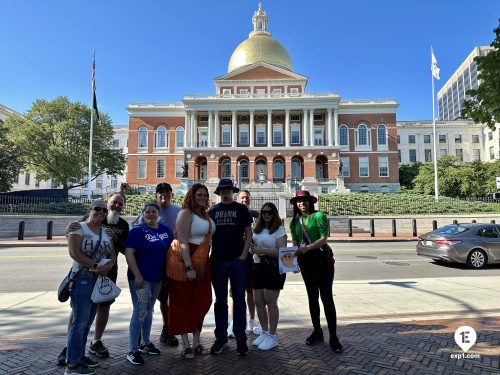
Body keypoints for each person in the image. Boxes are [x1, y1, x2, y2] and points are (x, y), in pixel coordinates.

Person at [57, 193, 129, 366]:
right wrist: (68, 229)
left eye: (120, 203)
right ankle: (71, 352)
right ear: (90, 210)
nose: (114, 206)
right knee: (79, 316)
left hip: (106, 274)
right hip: (83, 275)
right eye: (112, 203)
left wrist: (109, 261)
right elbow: (74, 244)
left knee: (99, 311)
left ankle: (93, 343)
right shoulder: (83, 224)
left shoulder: (122, 225)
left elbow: (120, 250)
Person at [65, 201, 115, 375]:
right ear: (89, 210)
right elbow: (74, 253)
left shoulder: (106, 232)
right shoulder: (78, 227)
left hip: (98, 280)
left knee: (87, 322)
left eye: (104, 210)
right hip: (83, 279)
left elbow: (112, 254)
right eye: (97, 209)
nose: (101, 212)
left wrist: (108, 266)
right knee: (79, 323)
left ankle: (80, 356)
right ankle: (71, 364)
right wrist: (95, 265)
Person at [289, 190, 343, 353]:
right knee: (312, 297)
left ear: (309, 202)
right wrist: (293, 261)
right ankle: (317, 331)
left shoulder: (319, 216)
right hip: (306, 262)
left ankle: (333, 336)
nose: (302, 204)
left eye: (304, 200)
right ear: (296, 203)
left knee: (326, 297)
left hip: (322, 261)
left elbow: (323, 238)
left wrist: (307, 248)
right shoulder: (294, 222)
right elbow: (295, 242)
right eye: (299, 201)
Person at [168, 183, 215, 358]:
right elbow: (182, 242)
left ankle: (197, 342)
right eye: (199, 195)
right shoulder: (185, 213)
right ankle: (186, 345)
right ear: (192, 196)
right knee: (182, 302)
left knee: (200, 301)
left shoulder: (205, 215)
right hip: (186, 261)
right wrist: (189, 267)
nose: (202, 197)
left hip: (203, 261)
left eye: (205, 195)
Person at [132, 182, 181, 347]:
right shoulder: (147, 213)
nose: (164, 195)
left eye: (167, 192)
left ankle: (167, 330)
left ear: (171, 195)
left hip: (170, 263)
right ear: (156, 195)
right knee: (146, 304)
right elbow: (134, 237)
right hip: (147, 267)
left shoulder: (178, 211)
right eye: (160, 192)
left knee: (167, 300)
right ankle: (140, 336)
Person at [125, 201, 173, 365]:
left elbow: (170, 254)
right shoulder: (137, 231)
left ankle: (145, 342)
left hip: (158, 278)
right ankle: (132, 348)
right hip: (140, 278)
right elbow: (129, 253)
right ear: (143, 214)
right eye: (147, 212)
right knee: (139, 310)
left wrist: (167, 275)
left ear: (158, 214)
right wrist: (137, 274)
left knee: (150, 310)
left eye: (153, 211)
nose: (150, 214)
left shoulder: (165, 231)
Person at [209, 179, 253, 356]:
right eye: (223, 190)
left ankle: (241, 339)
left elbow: (248, 233)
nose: (226, 192)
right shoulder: (212, 211)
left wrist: (243, 256)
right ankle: (221, 338)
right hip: (218, 261)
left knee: (239, 300)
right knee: (220, 301)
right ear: (219, 192)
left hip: (237, 261)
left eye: (228, 189)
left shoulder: (241, 209)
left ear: (232, 191)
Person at [250, 202, 287, 351]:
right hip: (258, 266)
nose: (266, 214)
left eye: (270, 212)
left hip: (273, 267)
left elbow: (282, 251)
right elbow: (253, 247)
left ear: (274, 214)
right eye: (264, 212)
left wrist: (261, 250)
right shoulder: (257, 229)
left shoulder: (279, 230)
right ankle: (265, 332)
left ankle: (273, 336)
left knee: (270, 301)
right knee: (258, 301)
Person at [227, 190, 261, 338]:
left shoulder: (256, 215)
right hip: (236, 256)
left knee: (251, 291)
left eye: (246, 198)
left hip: (252, 258)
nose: (244, 200)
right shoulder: (233, 213)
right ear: (237, 199)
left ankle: (253, 321)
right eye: (242, 197)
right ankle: (233, 322)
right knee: (235, 293)